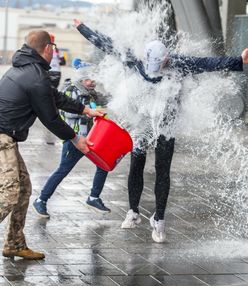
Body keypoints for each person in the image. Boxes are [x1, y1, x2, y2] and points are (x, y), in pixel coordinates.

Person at [74, 18, 248, 243]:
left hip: (167, 122)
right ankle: (133, 212)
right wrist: (82, 28)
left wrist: (238, 60)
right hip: (143, 121)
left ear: (166, 59)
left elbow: (207, 62)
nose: (160, 68)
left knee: (162, 170)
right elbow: (107, 44)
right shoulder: (134, 60)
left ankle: (160, 220)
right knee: (137, 163)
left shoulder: (178, 63)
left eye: (163, 64)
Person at [0, 30, 103, 259]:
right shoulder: (34, 75)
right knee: (10, 193)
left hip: (7, 137)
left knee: (24, 189)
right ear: (48, 49)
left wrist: (84, 109)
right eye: (53, 49)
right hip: (2, 138)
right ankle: (14, 243)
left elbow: (53, 97)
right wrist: (76, 139)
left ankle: (15, 244)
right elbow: (50, 118)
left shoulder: (27, 69)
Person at [33, 66, 111, 218]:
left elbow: (105, 99)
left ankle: (94, 197)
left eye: (94, 79)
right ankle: (41, 199)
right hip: (75, 139)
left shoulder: (91, 93)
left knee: (104, 164)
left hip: (91, 138)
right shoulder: (71, 90)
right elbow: (64, 111)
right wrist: (86, 113)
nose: (93, 82)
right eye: (89, 79)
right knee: (63, 170)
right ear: (81, 79)